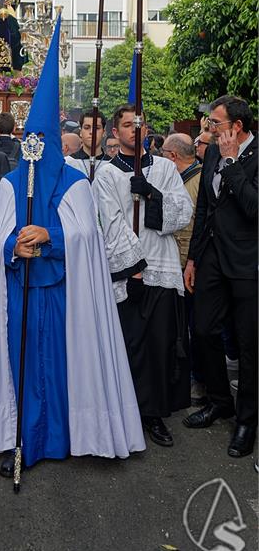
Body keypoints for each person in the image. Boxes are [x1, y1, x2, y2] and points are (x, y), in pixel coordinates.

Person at [0, 20, 145, 476]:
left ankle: (64, 436)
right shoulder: (9, 184)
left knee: (60, 365)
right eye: (29, 142)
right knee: (23, 365)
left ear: (55, 144)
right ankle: (23, 439)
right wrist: (14, 244)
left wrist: (50, 236)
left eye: (43, 142)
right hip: (21, 290)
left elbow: (88, 238)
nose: (35, 150)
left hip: (62, 293)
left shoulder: (76, 184)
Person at [93, 105, 193, 447]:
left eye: (140, 124)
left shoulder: (164, 167)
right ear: (115, 132)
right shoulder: (106, 174)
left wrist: (151, 194)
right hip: (129, 274)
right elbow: (110, 222)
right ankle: (129, 411)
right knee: (131, 344)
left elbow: (183, 212)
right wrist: (133, 268)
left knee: (160, 345)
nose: (135, 130)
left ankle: (154, 415)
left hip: (162, 268)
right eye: (127, 125)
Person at [183, 95, 257, 458]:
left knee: (248, 344)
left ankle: (247, 421)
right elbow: (204, 209)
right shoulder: (210, 151)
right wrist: (193, 258)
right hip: (211, 256)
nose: (208, 127)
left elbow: (254, 208)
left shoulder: (250, 155)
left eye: (215, 122)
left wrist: (231, 163)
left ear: (237, 127)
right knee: (202, 329)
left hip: (247, 262)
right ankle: (219, 401)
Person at [162, 132, 206, 406]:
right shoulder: (184, 177)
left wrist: (193, 261)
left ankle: (198, 379)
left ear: (173, 156)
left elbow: (198, 225)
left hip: (189, 263)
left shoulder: (198, 180)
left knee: (193, 325)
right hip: (177, 261)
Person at [66, 110, 108, 178]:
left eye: (97, 128)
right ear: (80, 132)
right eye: (87, 128)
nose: (91, 132)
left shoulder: (112, 164)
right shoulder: (68, 163)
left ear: (103, 132)